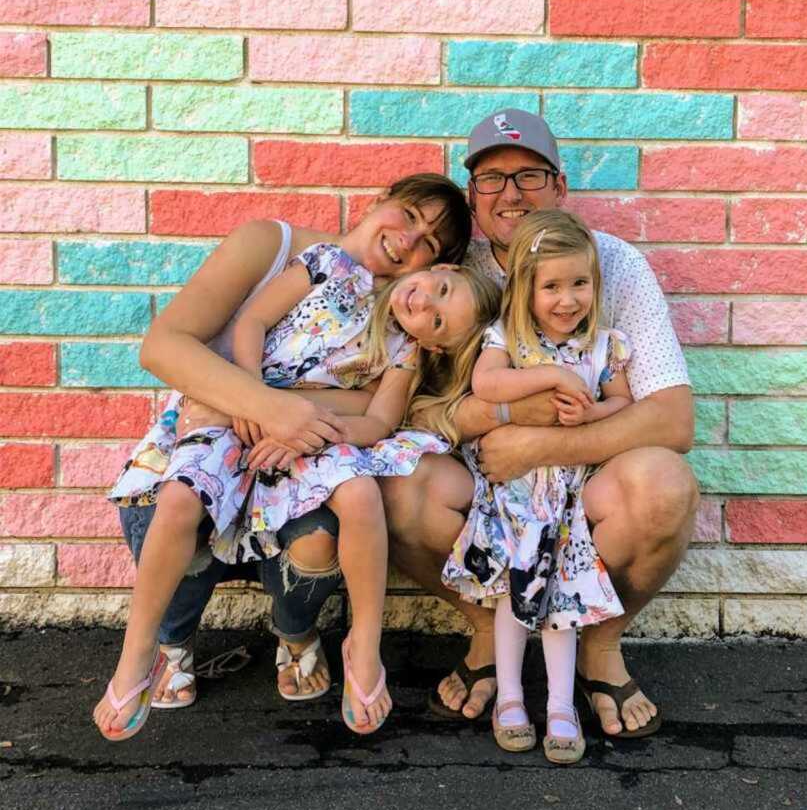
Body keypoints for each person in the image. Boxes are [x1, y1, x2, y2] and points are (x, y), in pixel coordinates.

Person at [103, 174, 472, 723]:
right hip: (236, 422)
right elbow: (243, 323)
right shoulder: (317, 261)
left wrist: (308, 424)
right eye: (411, 217)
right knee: (177, 501)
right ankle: (145, 651)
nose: (410, 241)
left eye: (429, 245)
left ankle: (357, 647)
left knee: (358, 497)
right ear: (380, 198)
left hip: (306, 442)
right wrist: (256, 400)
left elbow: (378, 416)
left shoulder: (398, 331)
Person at [383, 112, 698, 739]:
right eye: (491, 179)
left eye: (528, 174)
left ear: (560, 186)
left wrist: (539, 442)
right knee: (396, 485)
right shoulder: (450, 275)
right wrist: (493, 415)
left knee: (665, 485)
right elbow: (392, 412)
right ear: (471, 198)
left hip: (589, 483)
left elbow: (672, 418)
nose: (510, 193)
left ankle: (599, 646)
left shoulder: (609, 265)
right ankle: (484, 633)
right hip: (486, 489)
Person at [442, 210, 633, 763]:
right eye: (551, 286)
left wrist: (596, 413)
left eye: (580, 283)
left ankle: (560, 707)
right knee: (513, 597)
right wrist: (553, 375)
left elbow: (624, 401)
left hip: (568, 502)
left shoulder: (604, 344)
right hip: (516, 499)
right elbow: (487, 383)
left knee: (560, 603)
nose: (567, 300)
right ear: (525, 288)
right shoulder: (509, 341)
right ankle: (510, 698)